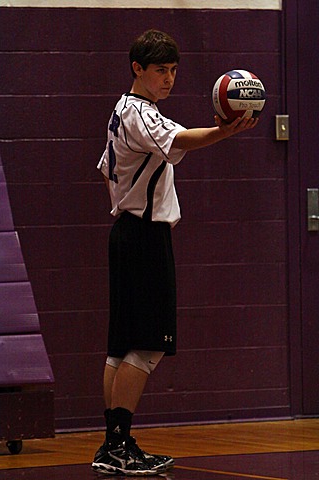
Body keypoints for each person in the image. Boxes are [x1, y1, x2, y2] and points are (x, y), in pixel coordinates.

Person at [92, 29, 258, 477]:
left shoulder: (120, 112)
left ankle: (113, 445)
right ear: (137, 70)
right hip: (143, 237)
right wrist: (225, 130)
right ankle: (120, 445)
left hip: (127, 232)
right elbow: (181, 140)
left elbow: (106, 169)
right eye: (160, 71)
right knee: (147, 348)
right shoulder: (139, 112)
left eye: (173, 71)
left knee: (120, 348)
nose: (169, 79)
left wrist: (126, 200)